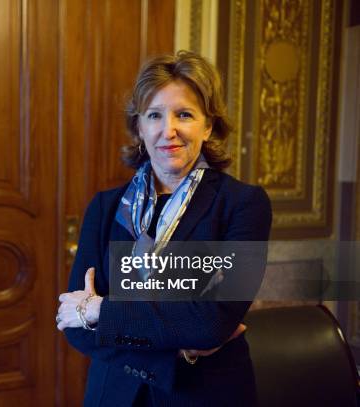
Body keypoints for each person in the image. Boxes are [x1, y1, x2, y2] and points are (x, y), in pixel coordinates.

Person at [56, 51, 272, 406]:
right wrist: (178, 348)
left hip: (205, 395)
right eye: (154, 115)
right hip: (114, 394)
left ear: (208, 126)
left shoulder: (243, 205)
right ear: (139, 127)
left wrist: (100, 311)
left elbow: (211, 323)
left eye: (184, 114)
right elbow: (74, 327)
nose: (167, 130)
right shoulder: (106, 207)